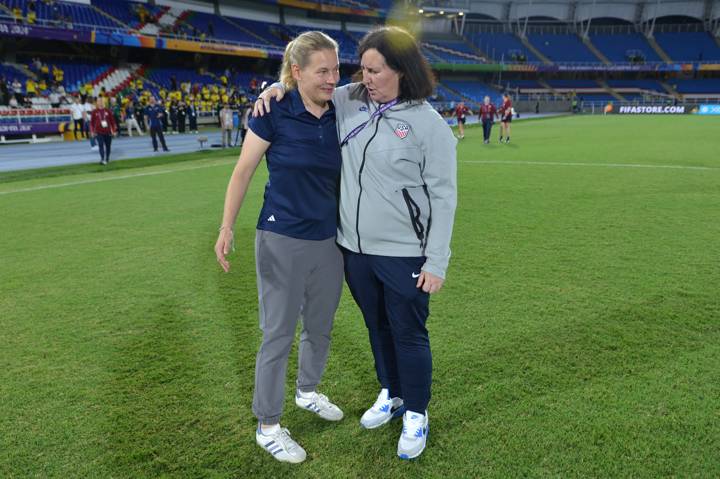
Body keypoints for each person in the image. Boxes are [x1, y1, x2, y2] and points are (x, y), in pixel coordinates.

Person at [256, 25, 457, 460]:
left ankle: (416, 414)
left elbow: (444, 195)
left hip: (404, 250)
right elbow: (307, 82)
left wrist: (437, 260)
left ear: (400, 71)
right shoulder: (349, 100)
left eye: (374, 70)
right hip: (354, 250)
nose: (363, 78)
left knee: (408, 332)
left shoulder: (430, 125)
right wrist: (276, 85)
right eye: (361, 69)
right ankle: (391, 392)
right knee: (376, 326)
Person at [214, 31, 344, 465]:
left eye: (336, 69)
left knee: (320, 327)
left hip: (330, 241)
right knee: (278, 335)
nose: (332, 78)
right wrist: (227, 226)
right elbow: (243, 170)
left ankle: (307, 391)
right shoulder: (275, 110)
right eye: (322, 70)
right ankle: (267, 425)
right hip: (281, 239)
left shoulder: (340, 108)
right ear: (297, 72)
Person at [89, 97, 117, 165]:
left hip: (108, 131)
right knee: (101, 145)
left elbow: (112, 122)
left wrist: (114, 130)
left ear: (104, 102)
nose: (100, 102)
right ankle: (102, 159)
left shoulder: (108, 111)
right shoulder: (94, 112)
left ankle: (107, 158)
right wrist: (92, 132)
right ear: (97, 103)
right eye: (99, 101)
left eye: (101, 101)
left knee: (108, 146)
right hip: (99, 132)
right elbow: (92, 123)